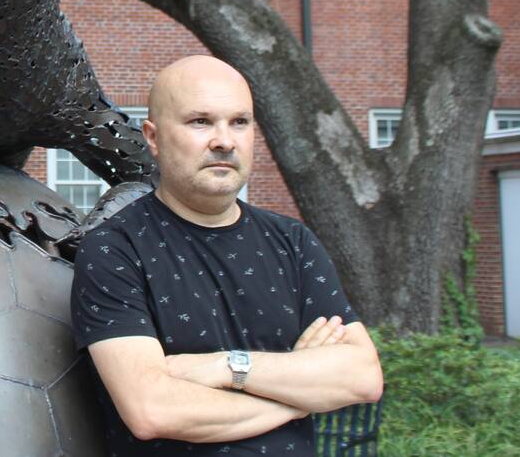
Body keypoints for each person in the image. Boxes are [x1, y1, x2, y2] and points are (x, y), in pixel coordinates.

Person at [70, 55, 383, 455]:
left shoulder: (293, 242)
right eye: (200, 121)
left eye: (239, 122)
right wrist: (300, 399)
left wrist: (226, 368)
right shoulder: (114, 250)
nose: (224, 141)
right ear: (153, 137)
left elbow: (362, 377)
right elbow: (152, 410)